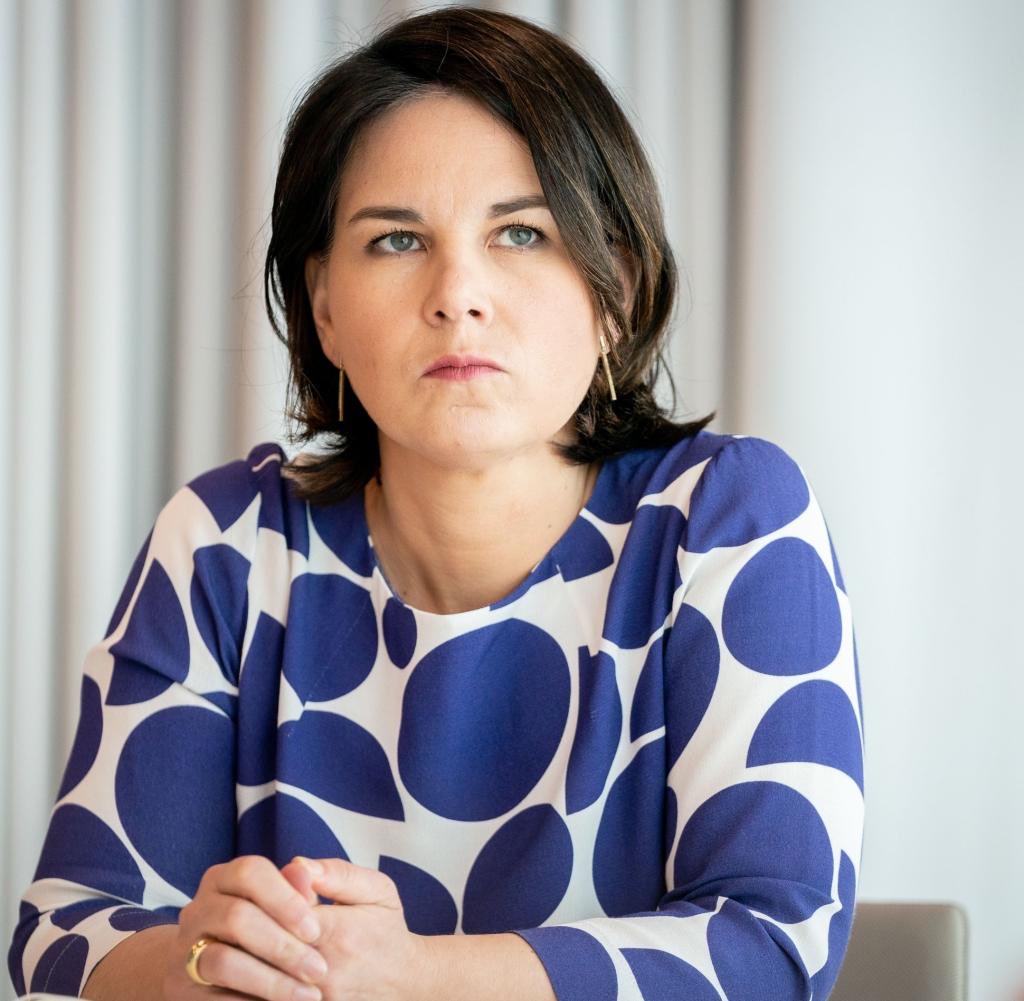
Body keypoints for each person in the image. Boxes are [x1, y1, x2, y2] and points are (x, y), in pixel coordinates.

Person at [7, 7, 864, 1001]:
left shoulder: (727, 520)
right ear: (324, 306)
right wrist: (194, 963)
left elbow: (773, 943)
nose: (458, 293)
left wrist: (414, 975)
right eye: (397, 240)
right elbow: (63, 934)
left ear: (616, 288)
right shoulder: (226, 547)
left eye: (521, 232)